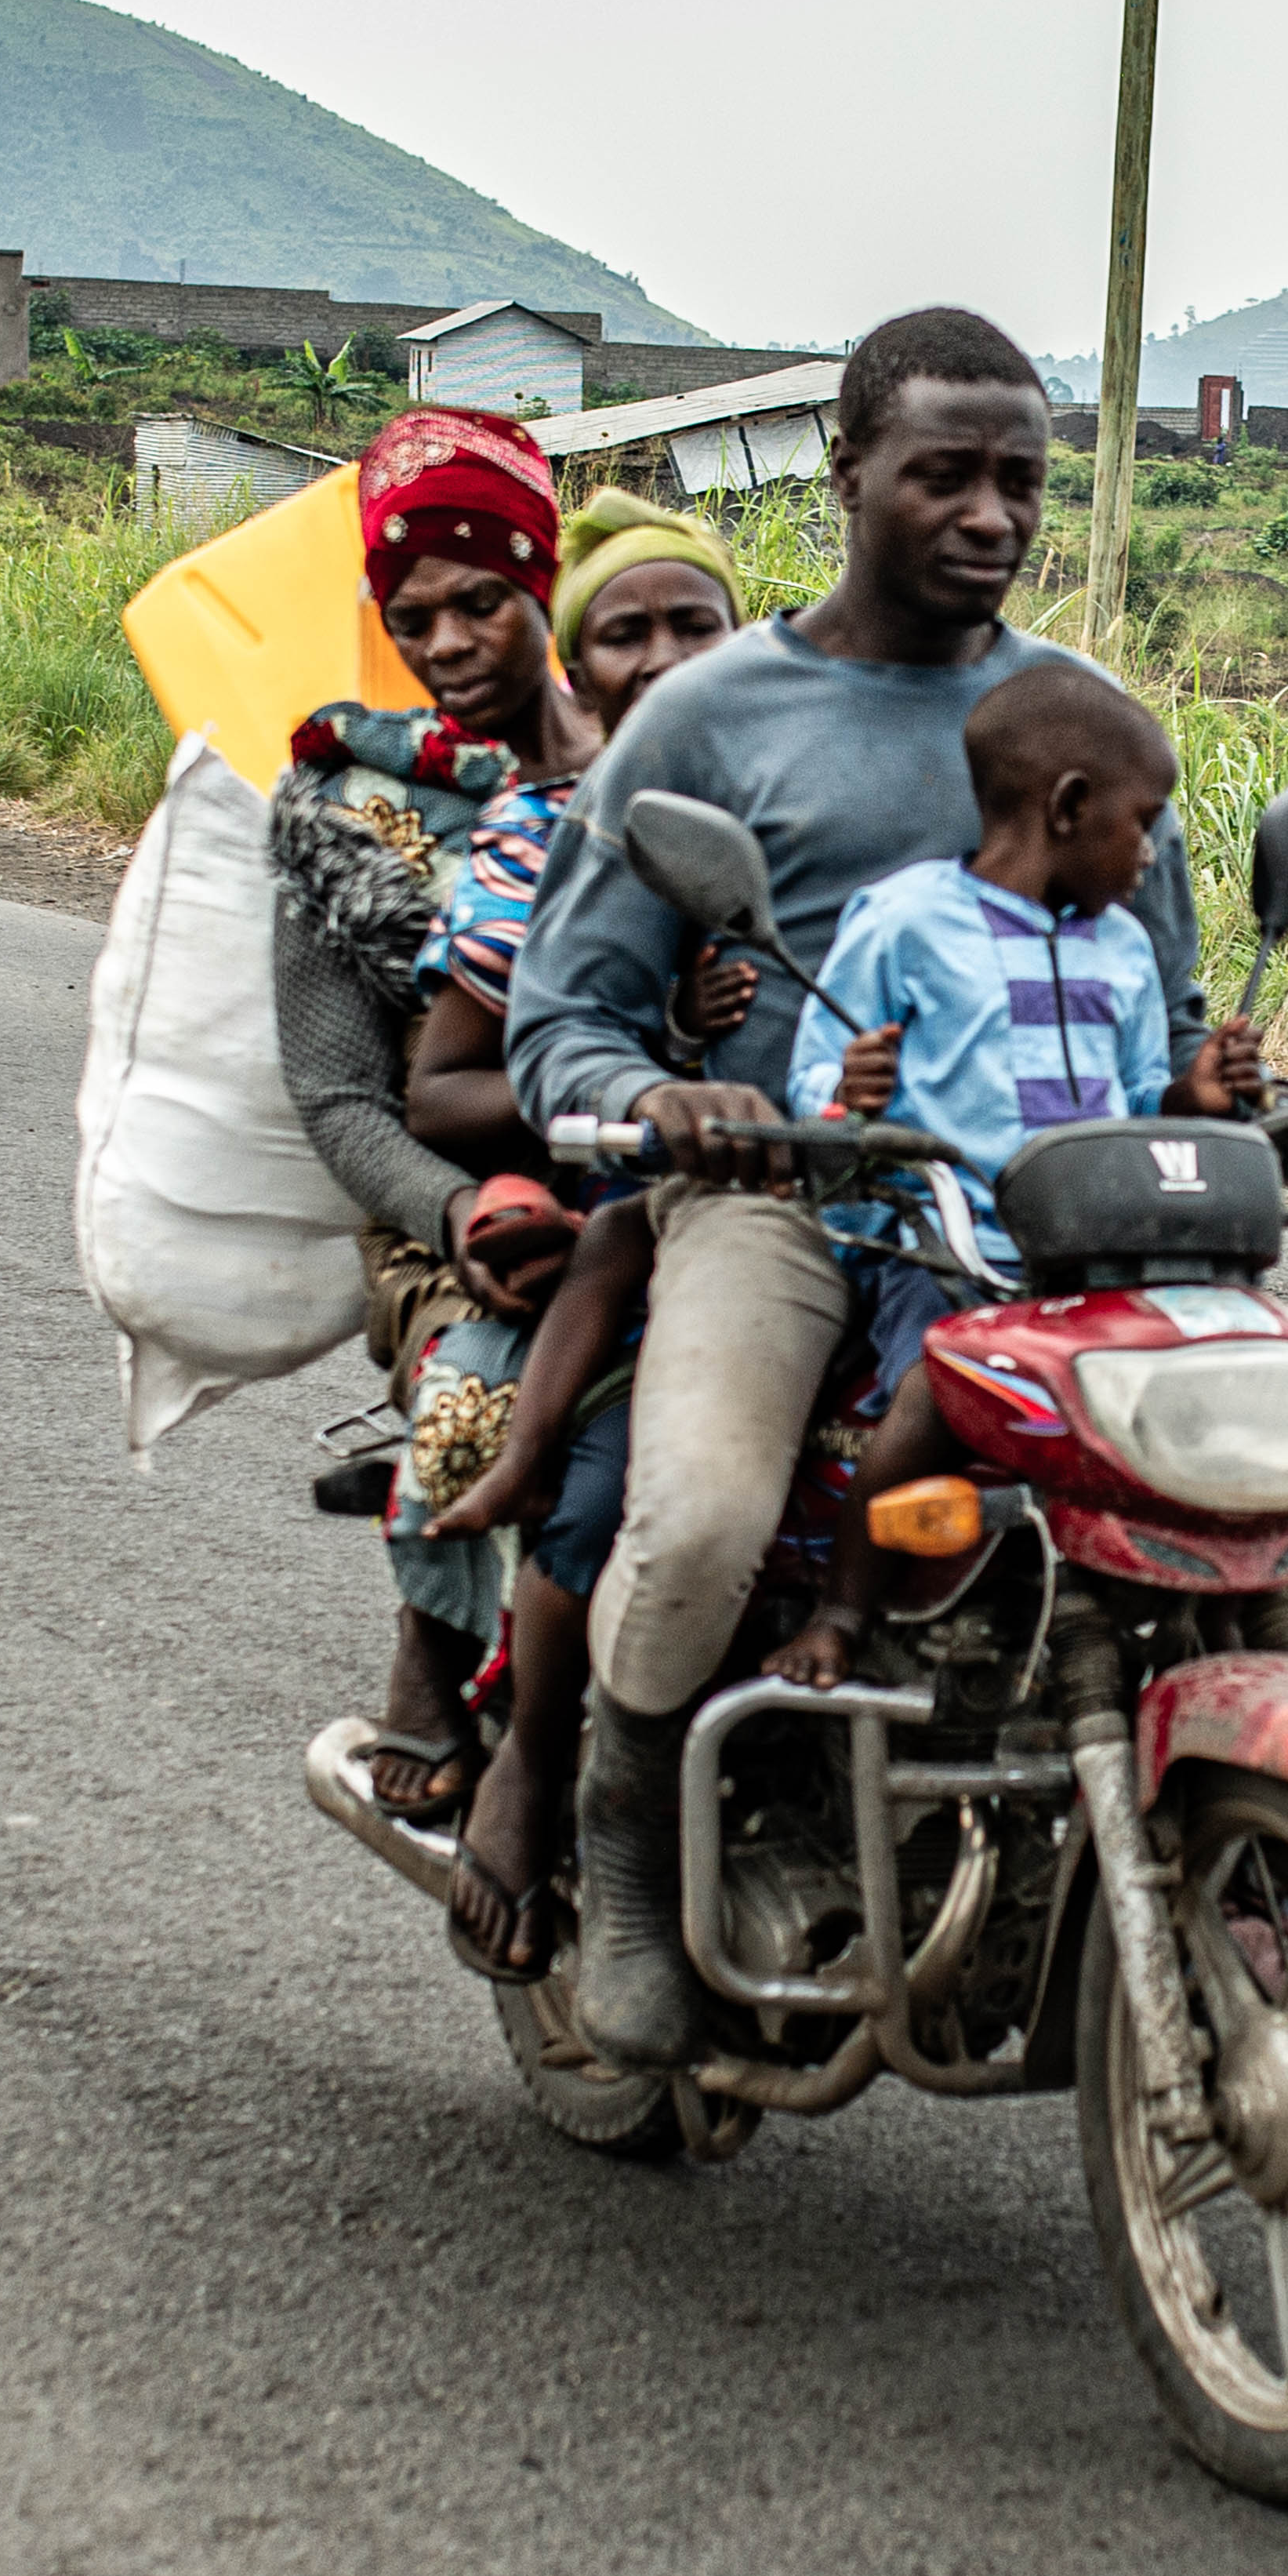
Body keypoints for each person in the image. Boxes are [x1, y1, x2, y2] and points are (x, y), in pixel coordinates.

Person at [502, 307, 1288, 2068]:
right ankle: (623, 1845)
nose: (991, 510)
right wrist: (671, 1100)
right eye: (944, 471)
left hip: (1059, 1216)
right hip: (790, 1197)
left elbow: (1159, 1031)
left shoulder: (1078, 719)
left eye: (1018, 475)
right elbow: (567, 1016)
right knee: (697, 1513)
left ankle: (1216, 1833)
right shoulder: (709, 718)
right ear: (845, 473)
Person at [398, 492, 764, 1977]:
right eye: (629, 632)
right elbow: (444, 1080)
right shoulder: (548, 832)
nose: (669, 659)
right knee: (611, 1474)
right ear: (579, 660)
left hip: (850, 1196)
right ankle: (538, 1769)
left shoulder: (812, 793)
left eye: (701, 627)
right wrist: (647, 1074)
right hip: (630, 1195)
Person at [760, 659, 1263, 1691]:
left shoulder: (1123, 950)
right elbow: (817, 1071)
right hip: (949, 1249)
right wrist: (845, 1089)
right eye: (1145, 822)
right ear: (1070, 808)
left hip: (1097, 1256)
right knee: (931, 1395)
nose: (1151, 853)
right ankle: (845, 1610)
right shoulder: (902, 921)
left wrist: (1194, 1097)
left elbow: (1130, 1106)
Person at [267, 405, 597, 1826]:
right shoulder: (351, 798)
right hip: (462, 1213)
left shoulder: (673, 739)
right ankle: (439, 1642)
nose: (451, 641)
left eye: (484, 601)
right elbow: (339, 1095)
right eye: (415, 616)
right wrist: (456, 1210)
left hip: (688, 1173)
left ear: (547, 583)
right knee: (490, 1372)